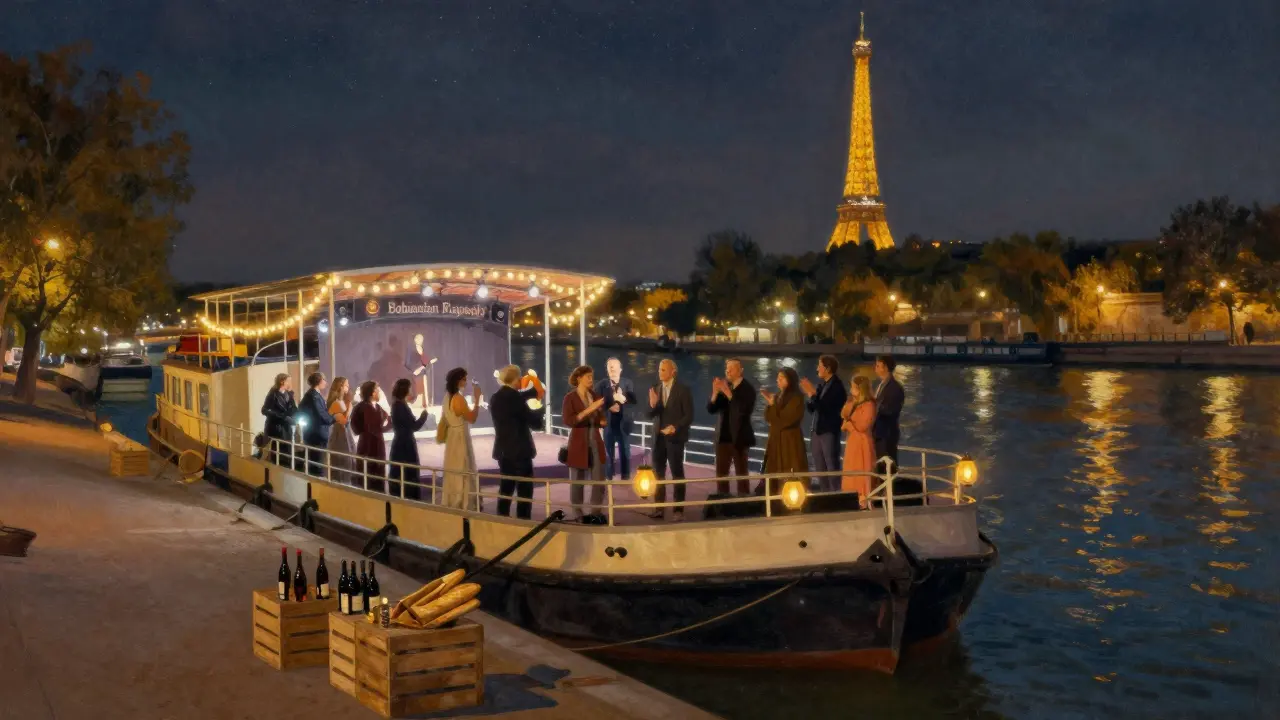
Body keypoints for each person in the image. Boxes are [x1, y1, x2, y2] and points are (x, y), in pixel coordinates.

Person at [489, 364, 545, 519]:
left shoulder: (495, 397)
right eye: (519, 377)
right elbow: (534, 422)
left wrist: (530, 394)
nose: (521, 380)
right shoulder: (516, 398)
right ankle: (523, 523)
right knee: (524, 492)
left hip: (503, 450)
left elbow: (517, 399)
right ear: (514, 379)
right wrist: (540, 410)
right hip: (520, 450)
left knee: (506, 489)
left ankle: (502, 519)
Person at [647, 358, 693, 520]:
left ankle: (678, 510)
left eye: (663, 370)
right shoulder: (655, 389)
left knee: (677, 474)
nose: (660, 372)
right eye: (659, 369)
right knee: (657, 474)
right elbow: (650, 415)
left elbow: (688, 416)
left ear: (673, 371)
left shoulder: (683, 390)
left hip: (675, 438)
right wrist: (653, 406)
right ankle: (659, 508)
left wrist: (676, 427)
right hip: (658, 438)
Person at [562, 365, 608, 522]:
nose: (591, 379)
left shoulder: (594, 395)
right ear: (578, 378)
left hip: (595, 440)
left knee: (598, 478)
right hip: (578, 441)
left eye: (591, 376)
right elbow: (569, 421)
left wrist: (602, 420)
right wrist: (590, 409)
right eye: (588, 376)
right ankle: (578, 512)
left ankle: (596, 511)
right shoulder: (570, 398)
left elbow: (600, 417)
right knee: (577, 479)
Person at [707, 358, 756, 496]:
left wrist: (728, 393)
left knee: (741, 473)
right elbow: (711, 409)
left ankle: (743, 502)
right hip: (723, 437)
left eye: (731, 368)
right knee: (721, 474)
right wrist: (715, 392)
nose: (727, 371)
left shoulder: (748, 389)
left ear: (740, 371)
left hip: (740, 437)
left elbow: (742, 410)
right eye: (726, 368)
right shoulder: (725, 386)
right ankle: (723, 502)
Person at [801, 355, 847, 493]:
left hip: (829, 431)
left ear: (827, 368)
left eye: (819, 366)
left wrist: (812, 394)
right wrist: (810, 396)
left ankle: (835, 493)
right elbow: (813, 408)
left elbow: (826, 408)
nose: (817, 369)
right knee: (819, 464)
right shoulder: (822, 385)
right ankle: (824, 492)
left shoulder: (837, 387)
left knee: (831, 464)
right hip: (816, 430)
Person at [760, 367, 808, 497]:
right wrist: (771, 404)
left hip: (790, 441)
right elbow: (769, 418)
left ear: (790, 380)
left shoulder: (797, 398)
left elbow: (787, 419)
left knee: (790, 468)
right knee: (774, 469)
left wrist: (773, 405)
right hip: (776, 440)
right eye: (778, 377)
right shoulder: (778, 396)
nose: (778, 380)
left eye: (781, 378)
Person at [872, 355, 913, 505]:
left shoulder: (895, 388)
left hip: (887, 433)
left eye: (877, 365)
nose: (875, 368)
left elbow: (891, 410)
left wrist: (874, 406)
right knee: (881, 466)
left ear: (884, 366)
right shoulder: (882, 385)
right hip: (880, 433)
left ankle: (891, 496)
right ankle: (883, 494)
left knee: (888, 465)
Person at [440, 367, 480, 510]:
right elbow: (472, 418)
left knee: (454, 467)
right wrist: (477, 401)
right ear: (457, 380)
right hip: (460, 436)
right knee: (463, 466)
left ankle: (453, 498)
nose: (466, 381)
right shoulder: (458, 398)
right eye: (464, 379)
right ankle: (462, 501)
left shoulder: (447, 397)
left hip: (453, 436)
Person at [388, 378, 431, 499]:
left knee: (402, 471)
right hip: (405, 444)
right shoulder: (400, 406)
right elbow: (414, 426)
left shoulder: (398, 404)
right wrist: (424, 415)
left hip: (402, 442)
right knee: (407, 472)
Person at [595, 358, 636, 484]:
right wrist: (608, 407)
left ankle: (625, 477)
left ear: (620, 369)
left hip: (624, 423)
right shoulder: (601, 385)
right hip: (608, 424)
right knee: (608, 453)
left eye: (614, 366)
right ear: (607, 370)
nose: (611, 368)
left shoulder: (628, 383)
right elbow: (596, 403)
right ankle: (608, 478)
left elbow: (632, 402)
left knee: (625, 451)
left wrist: (622, 399)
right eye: (609, 366)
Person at [840, 375, 876, 509]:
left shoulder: (869, 405)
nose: (850, 390)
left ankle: (863, 500)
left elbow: (862, 426)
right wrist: (850, 404)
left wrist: (849, 424)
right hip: (853, 442)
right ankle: (850, 496)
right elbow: (843, 416)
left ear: (860, 389)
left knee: (861, 470)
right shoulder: (854, 403)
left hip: (862, 443)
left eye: (853, 387)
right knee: (850, 469)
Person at [351, 380, 391, 491]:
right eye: (377, 390)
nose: (379, 393)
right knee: (367, 472)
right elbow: (355, 426)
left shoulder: (378, 407)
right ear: (372, 392)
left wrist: (387, 425)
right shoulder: (360, 408)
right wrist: (367, 432)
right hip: (366, 445)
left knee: (379, 472)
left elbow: (383, 424)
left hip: (378, 444)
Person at [298, 372, 336, 477]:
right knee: (316, 461)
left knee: (316, 460)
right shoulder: (313, 396)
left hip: (315, 432)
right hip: (316, 434)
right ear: (319, 381)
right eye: (324, 380)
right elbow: (321, 414)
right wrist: (333, 418)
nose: (326, 383)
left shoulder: (312, 394)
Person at [325, 377, 357, 485]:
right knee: (341, 461)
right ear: (341, 387)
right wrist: (350, 408)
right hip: (339, 436)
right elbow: (344, 421)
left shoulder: (342, 401)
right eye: (346, 385)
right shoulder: (336, 403)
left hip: (345, 434)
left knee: (348, 459)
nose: (348, 387)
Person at [260, 373, 298, 466]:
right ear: (282, 382)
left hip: (286, 427)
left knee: (287, 450)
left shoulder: (289, 394)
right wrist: (281, 416)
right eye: (288, 381)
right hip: (276, 427)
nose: (290, 383)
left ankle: (286, 466)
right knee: (277, 450)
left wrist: (294, 416)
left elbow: (293, 408)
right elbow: (264, 410)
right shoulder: (273, 394)